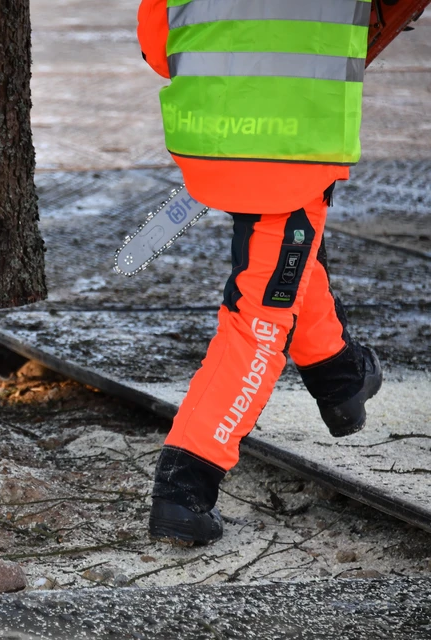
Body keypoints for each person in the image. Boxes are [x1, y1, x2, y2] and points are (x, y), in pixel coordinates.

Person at [136, 0, 384, 545]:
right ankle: (186, 487)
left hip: (216, 139)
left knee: (285, 265)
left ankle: (339, 375)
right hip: (294, 145)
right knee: (259, 322)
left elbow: (160, 47)